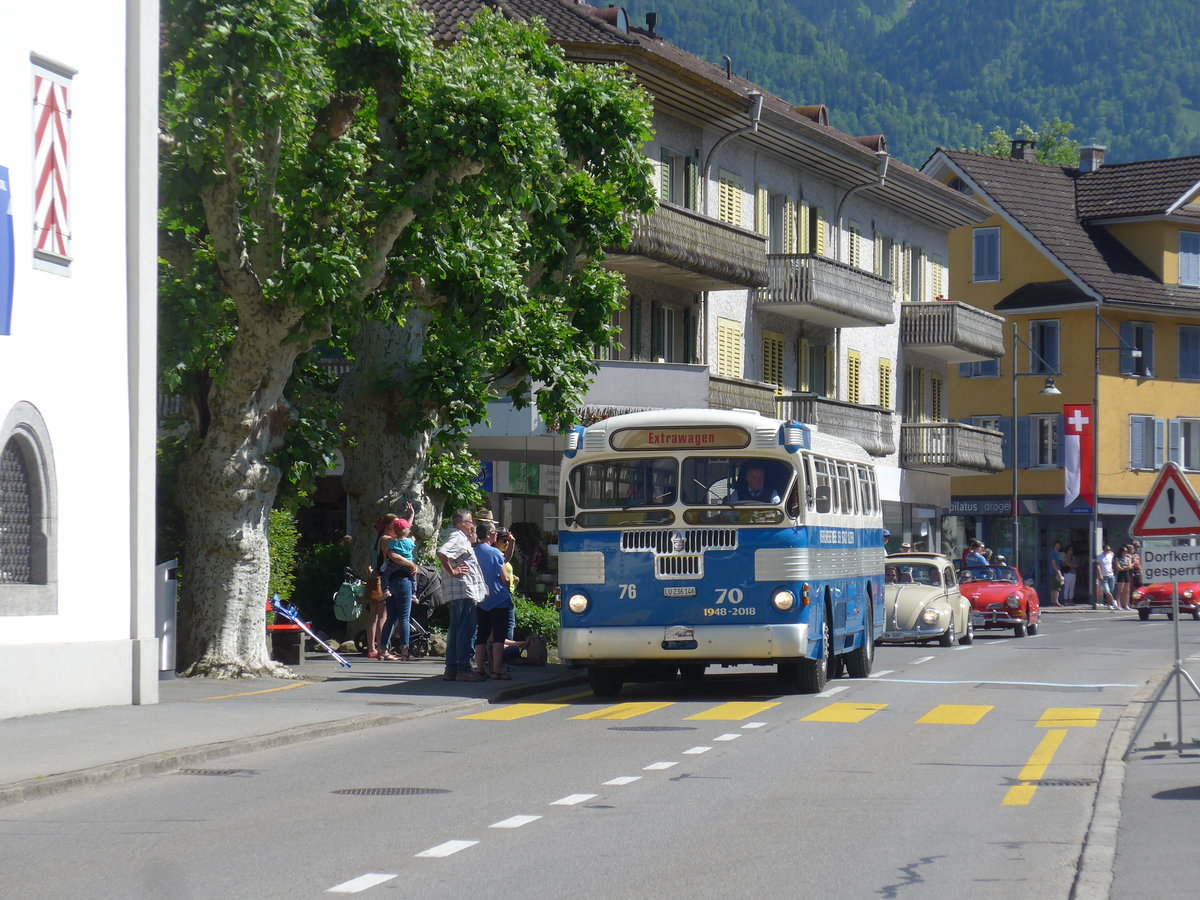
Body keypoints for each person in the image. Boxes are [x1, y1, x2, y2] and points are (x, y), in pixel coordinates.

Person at [437, 510, 487, 682]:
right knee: (465, 631)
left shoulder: (459, 537)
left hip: (460, 592)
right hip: (464, 590)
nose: (472, 525)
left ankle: (451, 669)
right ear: (463, 523)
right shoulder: (457, 537)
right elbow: (442, 553)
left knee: (456, 631)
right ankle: (463, 669)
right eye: (470, 522)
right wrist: (453, 570)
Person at [473, 521, 513, 680]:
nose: (497, 535)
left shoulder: (474, 551)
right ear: (489, 534)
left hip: (481, 598)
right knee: (498, 636)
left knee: (481, 634)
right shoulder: (495, 553)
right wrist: (509, 584)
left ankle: (480, 669)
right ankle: (497, 671)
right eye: (495, 532)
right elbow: (505, 577)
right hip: (498, 598)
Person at [380, 503, 417, 660]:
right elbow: (407, 531)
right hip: (403, 579)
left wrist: (410, 515)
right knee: (404, 616)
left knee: (392, 616)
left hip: (391, 580)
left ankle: (382, 647)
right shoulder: (406, 542)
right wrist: (410, 564)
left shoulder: (390, 541)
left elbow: (404, 528)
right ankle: (404, 649)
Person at [1094, 543, 1116, 610]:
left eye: (1109, 550)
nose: (1108, 551)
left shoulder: (1110, 556)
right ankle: (1113, 601)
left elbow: (1113, 563)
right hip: (1104, 576)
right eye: (1106, 549)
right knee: (1107, 591)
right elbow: (1098, 566)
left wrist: (1113, 569)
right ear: (1103, 550)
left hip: (1111, 575)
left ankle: (1110, 604)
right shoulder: (1100, 557)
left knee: (1111, 591)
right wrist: (1100, 575)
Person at [1114, 544, 1133, 610]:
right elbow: (1118, 568)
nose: (1125, 552)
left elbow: (1130, 566)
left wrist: (1124, 567)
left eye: (1126, 551)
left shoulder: (1128, 558)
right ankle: (1119, 604)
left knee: (1127, 590)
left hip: (1126, 574)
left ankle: (1126, 604)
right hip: (1121, 574)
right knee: (1120, 590)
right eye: (1124, 551)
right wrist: (1126, 567)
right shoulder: (1118, 558)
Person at [1048, 540, 1064, 606]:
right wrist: (1058, 572)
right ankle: (1055, 601)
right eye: (1057, 545)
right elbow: (1053, 563)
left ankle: (1053, 601)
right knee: (1057, 587)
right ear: (1054, 545)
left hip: (1057, 571)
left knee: (1054, 587)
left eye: (1059, 546)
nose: (1058, 547)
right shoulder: (1052, 553)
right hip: (1055, 572)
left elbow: (1061, 563)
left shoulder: (1059, 554)